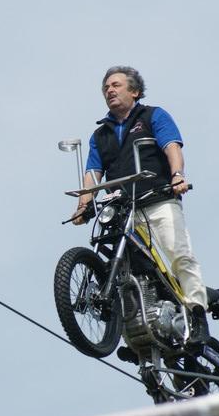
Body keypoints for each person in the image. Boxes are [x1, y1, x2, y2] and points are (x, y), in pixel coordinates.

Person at [72, 65, 209, 345]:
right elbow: (92, 173)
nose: (109, 90)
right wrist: (83, 204)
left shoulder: (153, 116)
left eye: (116, 85)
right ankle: (133, 334)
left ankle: (197, 316)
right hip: (122, 208)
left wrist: (177, 176)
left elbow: (172, 147)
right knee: (124, 271)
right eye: (106, 87)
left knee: (178, 254)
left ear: (134, 91)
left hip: (157, 198)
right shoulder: (100, 135)